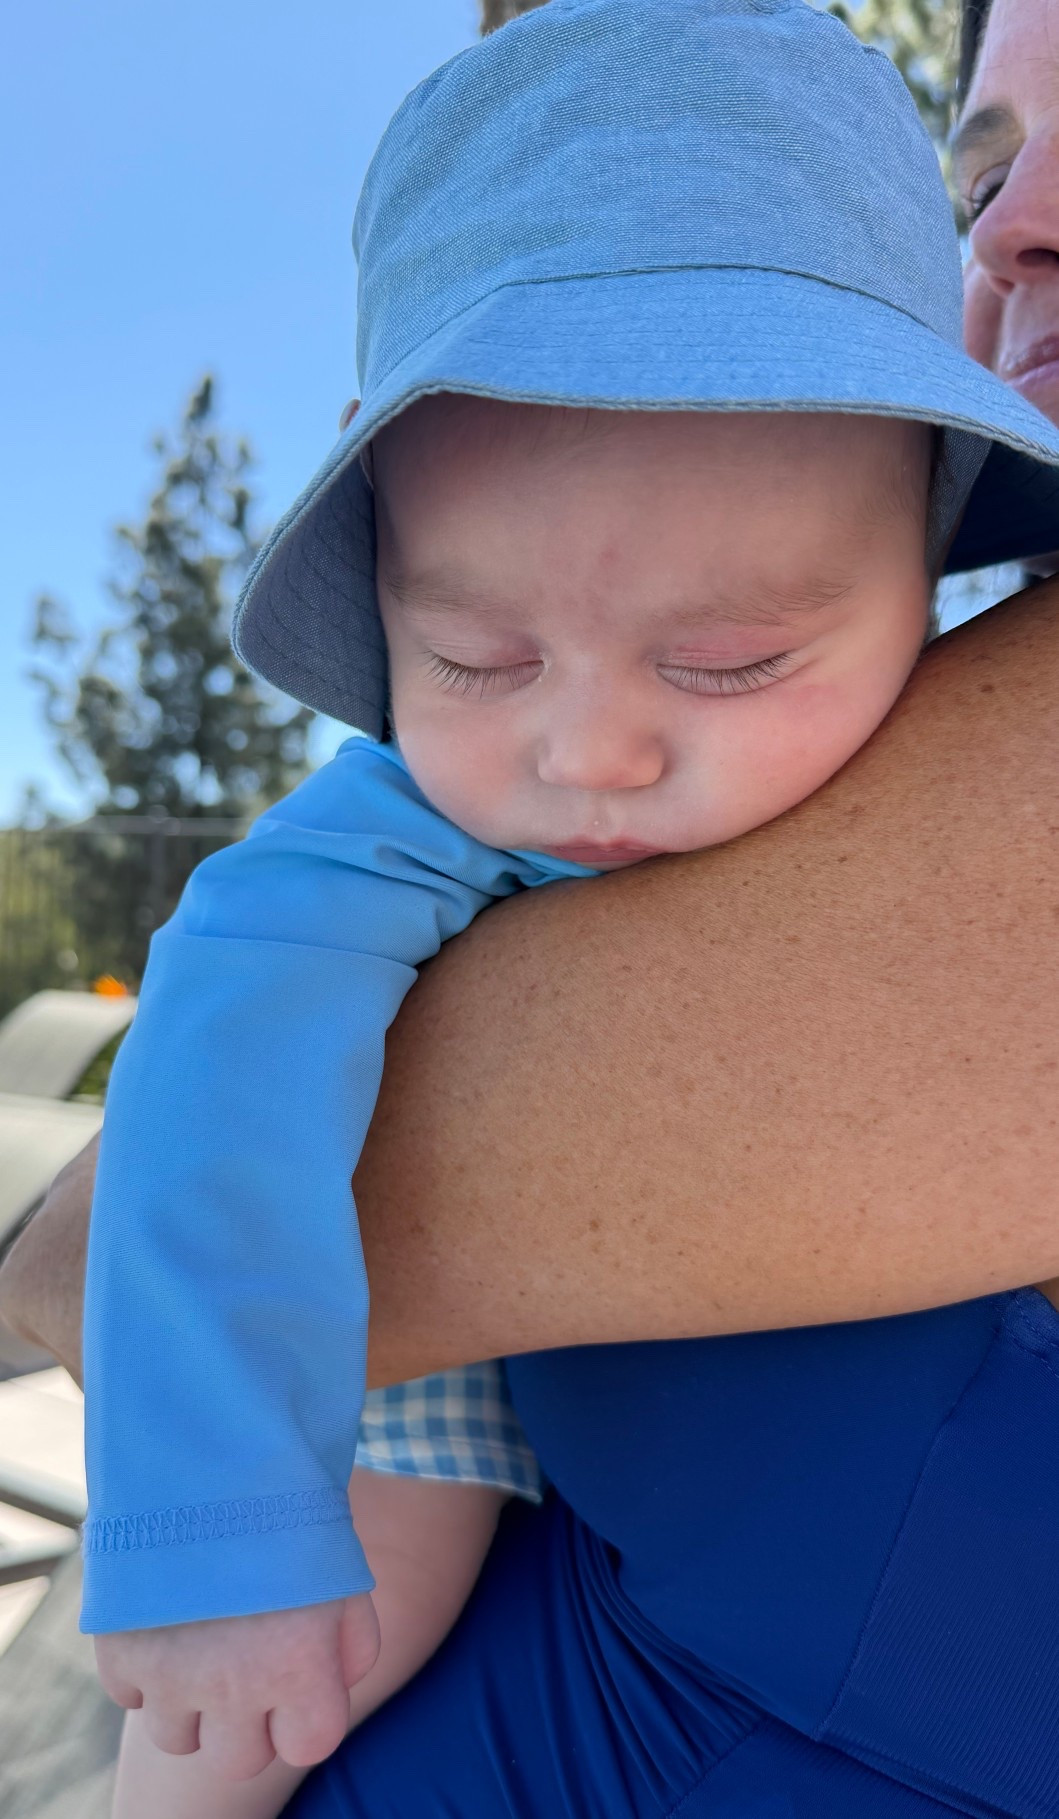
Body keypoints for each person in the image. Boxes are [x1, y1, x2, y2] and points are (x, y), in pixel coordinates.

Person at [2, 0, 1059, 1813]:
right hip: (404, 1438)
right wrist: (218, 1534)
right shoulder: (396, 826)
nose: (591, 753)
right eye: (474, 655)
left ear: (932, 543)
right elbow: (210, 1080)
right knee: (221, 1749)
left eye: (731, 663)